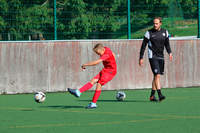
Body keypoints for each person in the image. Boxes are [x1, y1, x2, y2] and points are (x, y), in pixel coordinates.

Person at [68, 43, 117, 109]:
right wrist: (113, 59)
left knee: (99, 84)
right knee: (93, 80)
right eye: (97, 53)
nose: (98, 54)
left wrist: (86, 64)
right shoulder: (105, 48)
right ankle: (78, 92)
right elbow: (113, 54)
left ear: (102, 50)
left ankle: (93, 103)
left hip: (110, 72)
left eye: (98, 53)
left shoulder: (106, 54)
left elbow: (96, 62)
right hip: (106, 70)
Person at [139, 17, 173, 102]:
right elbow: (143, 46)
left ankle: (152, 96)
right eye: (154, 23)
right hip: (152, 56)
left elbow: (167, 44)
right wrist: (141, 57)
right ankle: (160, 94)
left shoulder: (165, 32)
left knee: (156, 76)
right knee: (157, 75)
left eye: (157, 23)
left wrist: (170, 52)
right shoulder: (149, 33)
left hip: (161, 56)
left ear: (160, 23)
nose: (155, 25)